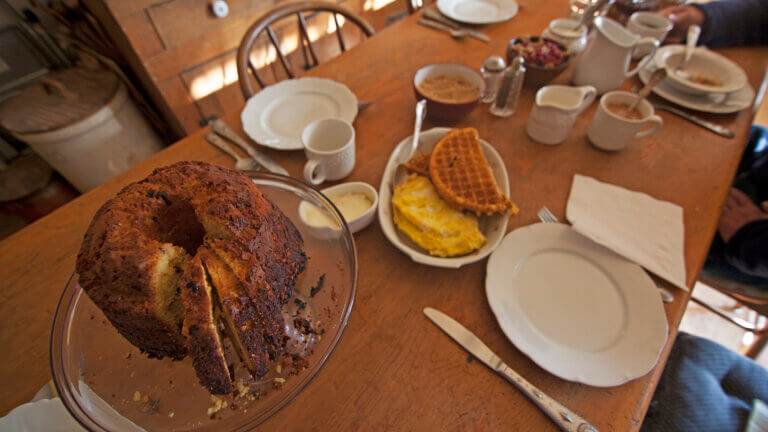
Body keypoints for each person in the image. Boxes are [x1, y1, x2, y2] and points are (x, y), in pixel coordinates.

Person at [656, 0, 768, 285]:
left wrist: (752, 240)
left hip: (752, 243)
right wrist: (702, 20)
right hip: (761, 162)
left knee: (637, 237)